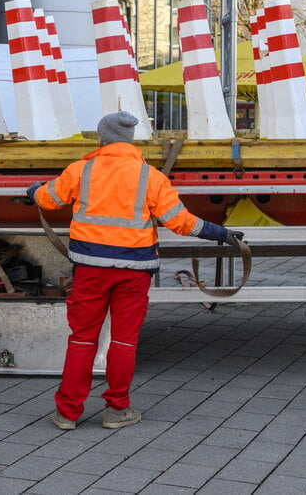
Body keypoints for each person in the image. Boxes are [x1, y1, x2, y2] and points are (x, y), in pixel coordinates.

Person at [27, 111, 244, 430]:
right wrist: (219, 232)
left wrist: (33, 191)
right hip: (135, 271)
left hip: (91, 269)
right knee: (124, 340)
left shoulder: (82, 169)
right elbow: (180, 221)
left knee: (83, 339)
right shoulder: (151, 177)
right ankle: (117, 410)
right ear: (130, 141)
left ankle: (68, 413)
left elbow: (50, 199)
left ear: (101, 139)